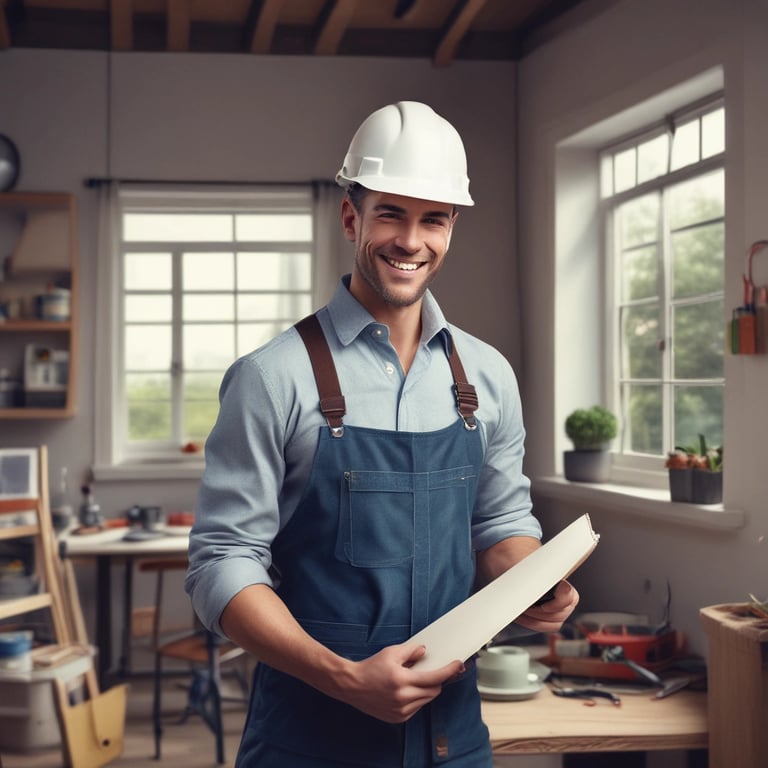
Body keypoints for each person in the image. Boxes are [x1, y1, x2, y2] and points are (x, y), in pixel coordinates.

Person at [185, 101, 579, 767]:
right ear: (351, 217)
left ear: (452, 228)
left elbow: (499, 521)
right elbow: (222, 562)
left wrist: (530, 578)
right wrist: (344, 677)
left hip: (452, 740)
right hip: (308, 739)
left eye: (434, 220)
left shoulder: (488, 376)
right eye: (391, 213)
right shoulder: (270, 377)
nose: (411, 241)